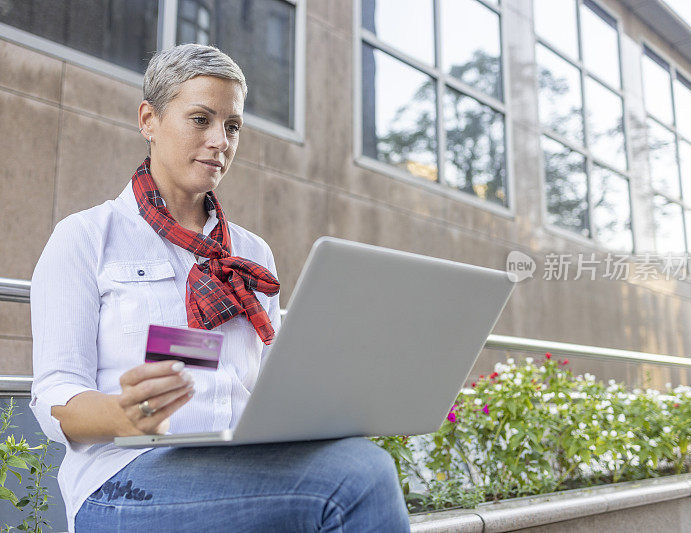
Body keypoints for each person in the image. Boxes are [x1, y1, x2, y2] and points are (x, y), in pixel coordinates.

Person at [30, 43, 410, 532]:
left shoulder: (253, 255)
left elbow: (274, 382)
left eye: (232, 126)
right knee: (359, 478)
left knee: (356, 459)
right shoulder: (85, 238)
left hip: (238, 465)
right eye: (200, 119)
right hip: (122, 479)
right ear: (149, 120)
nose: (220, 141)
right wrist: (120, 415)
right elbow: (54, 392)